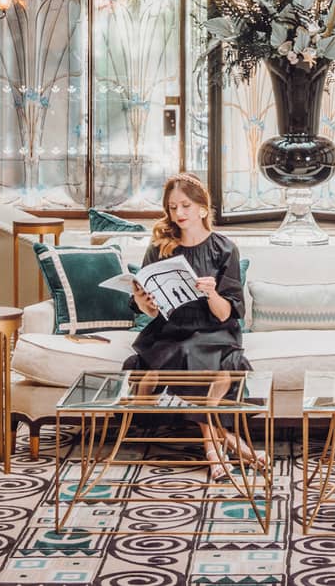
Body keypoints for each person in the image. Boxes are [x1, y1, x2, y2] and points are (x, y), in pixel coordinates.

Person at [125, 173, 263, 481]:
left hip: (216, 331)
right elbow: (151, 308)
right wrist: (143, 301)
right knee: (190, 354)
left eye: (185, 205)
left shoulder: (225, 248)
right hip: (172, 331)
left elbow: (226, 314)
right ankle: (229, 445)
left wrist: (211, 293)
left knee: (203, 358)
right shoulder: (160, 247)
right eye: (172, 207)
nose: (179, 213)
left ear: (202, 208)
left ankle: (215, 450)